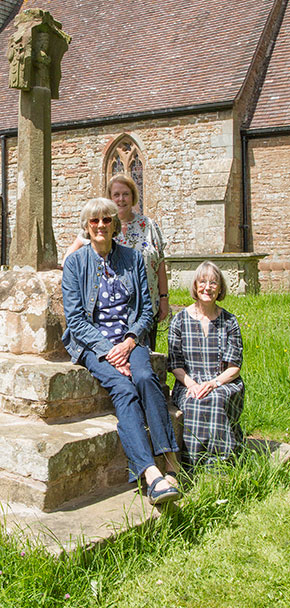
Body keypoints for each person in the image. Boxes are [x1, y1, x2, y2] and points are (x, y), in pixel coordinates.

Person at [62, 197, 181, 505]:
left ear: (115, 224)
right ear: (86, 227)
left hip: (130, 339)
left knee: (144, 377)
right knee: (123, 388)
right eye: (94, 221)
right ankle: (150, 473)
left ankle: (170, 459)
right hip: (92, 344)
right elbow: (75, 320)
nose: (100, 226)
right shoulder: (76, 263)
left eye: (106, 220)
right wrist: (108, 351)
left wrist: (129, 342)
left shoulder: (132, 258)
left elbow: (145, 309)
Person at [64, 174, 169, 350]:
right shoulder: (100, 225)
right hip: (112, 308)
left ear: (133, 197)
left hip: (145, 306)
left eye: (126, 194)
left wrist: (164, 298)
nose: (121, 199)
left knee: (144, 350)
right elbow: (71, 255)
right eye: (116, 195)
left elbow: (160, 263)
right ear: (110, 198)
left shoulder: (149, 225)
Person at [168, 261, 244, 468]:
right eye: (202, 282)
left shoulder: (230, 321)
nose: (207, 288)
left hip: (222, 382)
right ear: (195, 285)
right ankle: (193, 463)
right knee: (195, 401)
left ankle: (222, 463)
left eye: (213, 283)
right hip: (188, 382)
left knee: (216, 399)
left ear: (220, 288)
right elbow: (175, 363)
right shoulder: (179, 321)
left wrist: (212, 384)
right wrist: (192, 384)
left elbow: (234, 366)